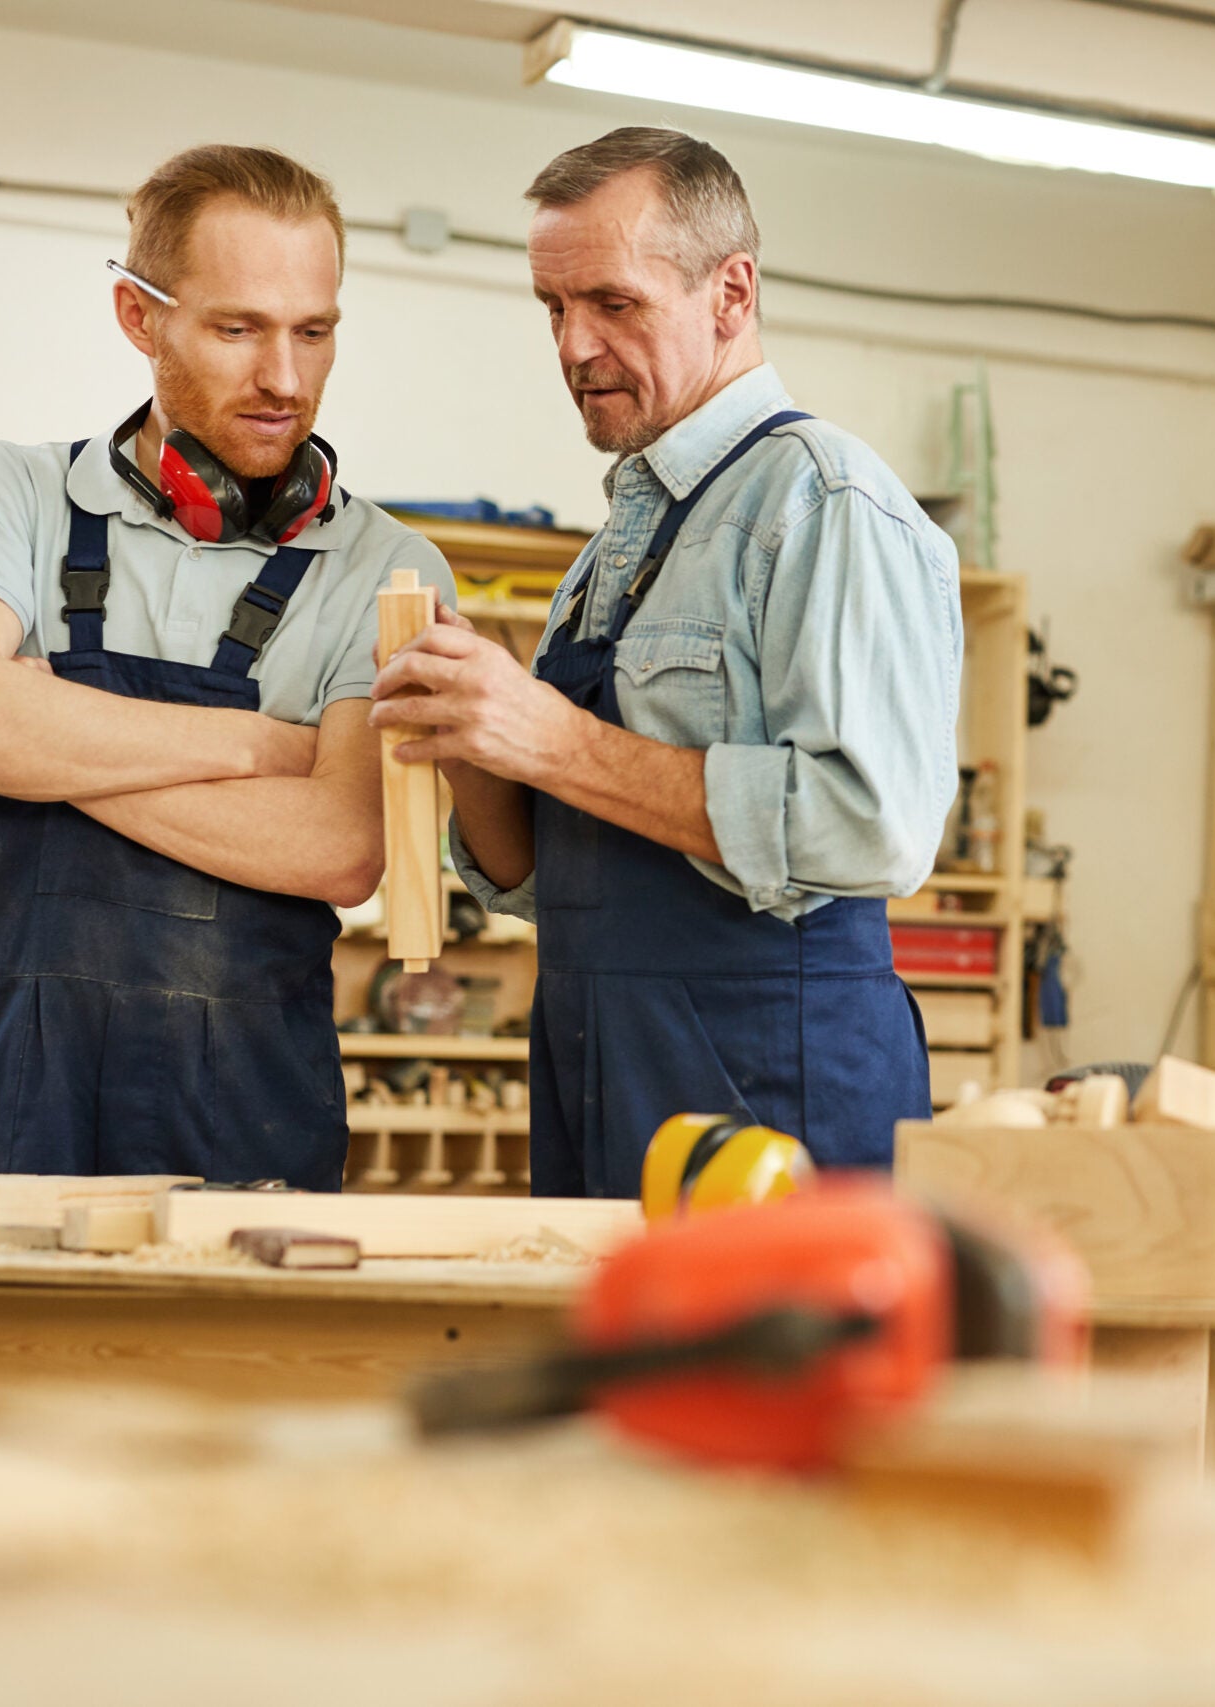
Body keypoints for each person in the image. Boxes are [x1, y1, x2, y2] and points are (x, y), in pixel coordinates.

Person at [371, 127, 959, 1198]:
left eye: (613, 304)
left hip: (773, 1088)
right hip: (601, 1067)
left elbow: (872, 824)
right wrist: (468, 741)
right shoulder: (608, 555)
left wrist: (555, 738)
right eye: (553, 308)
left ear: (730, 295)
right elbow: (543, 883)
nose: (573, 346)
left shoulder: (821, 502)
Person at [0, 144, 454, 1187]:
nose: (284, 378)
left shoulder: (390, 572)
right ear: (138, 317)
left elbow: (339, 847)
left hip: (245, 1111)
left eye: (314, 332)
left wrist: (49, 737)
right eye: (237, 328)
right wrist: (253, 747)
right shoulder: (11, 493)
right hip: (8, 1085)